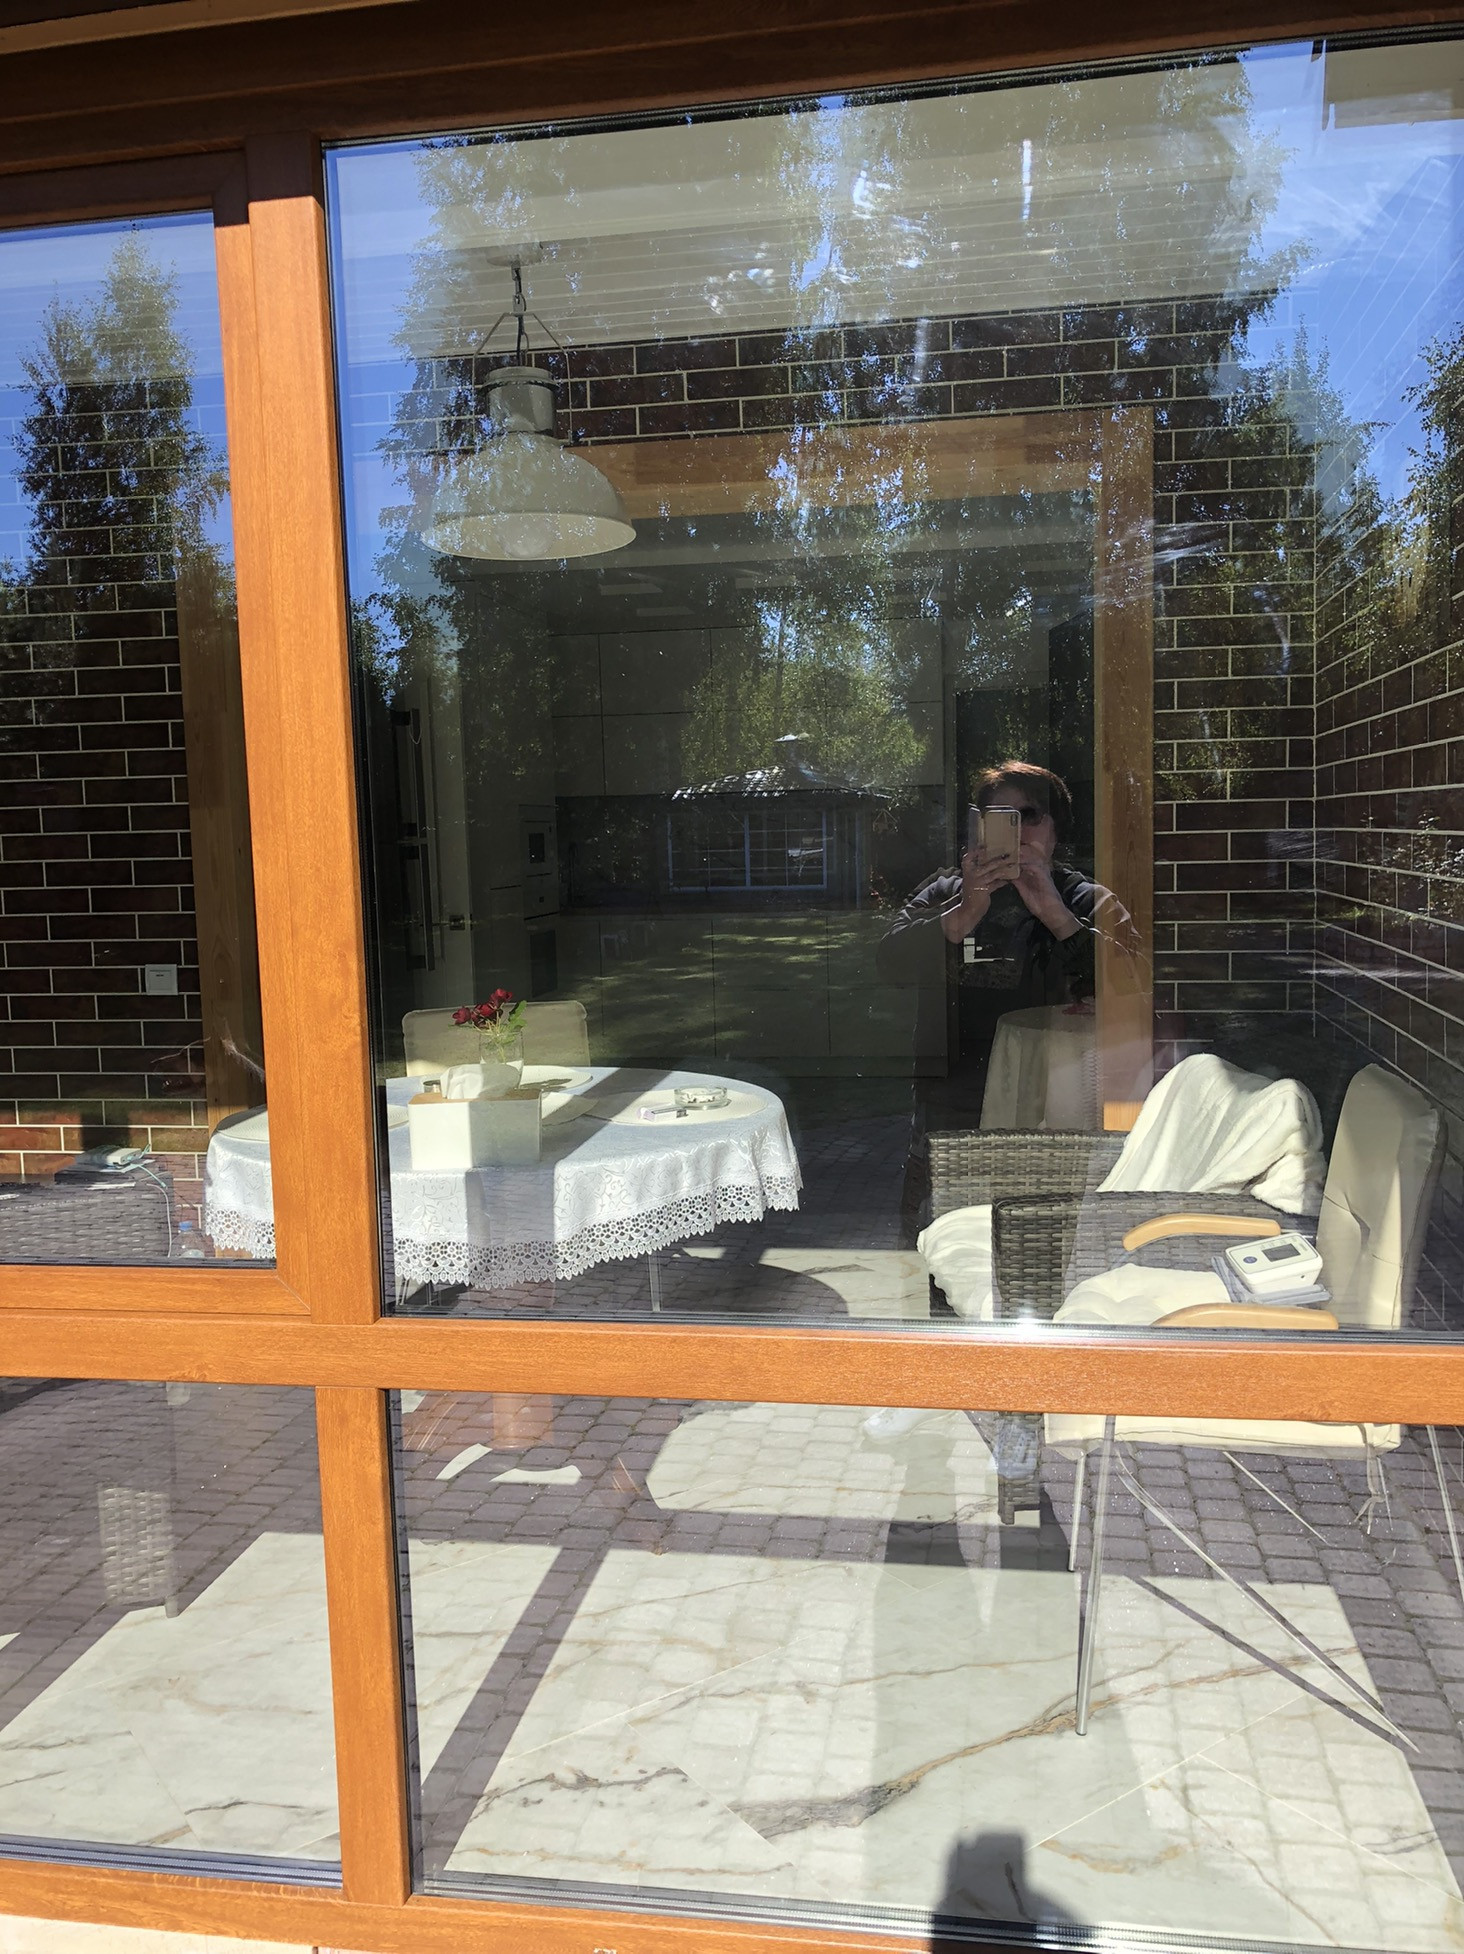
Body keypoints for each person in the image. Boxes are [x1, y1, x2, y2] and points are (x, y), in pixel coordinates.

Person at [877, 760, 1134, 1128]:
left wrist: (1057, 916)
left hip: (1056, 1107)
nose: (1016, 831)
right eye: (999, 818)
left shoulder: (1086, 900)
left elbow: (1131, 987)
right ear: (979, 828)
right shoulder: (946, 891)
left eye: (1028, 816)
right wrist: (965, 912)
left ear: (1056, 830)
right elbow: (889, 964)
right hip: (950, 1108)